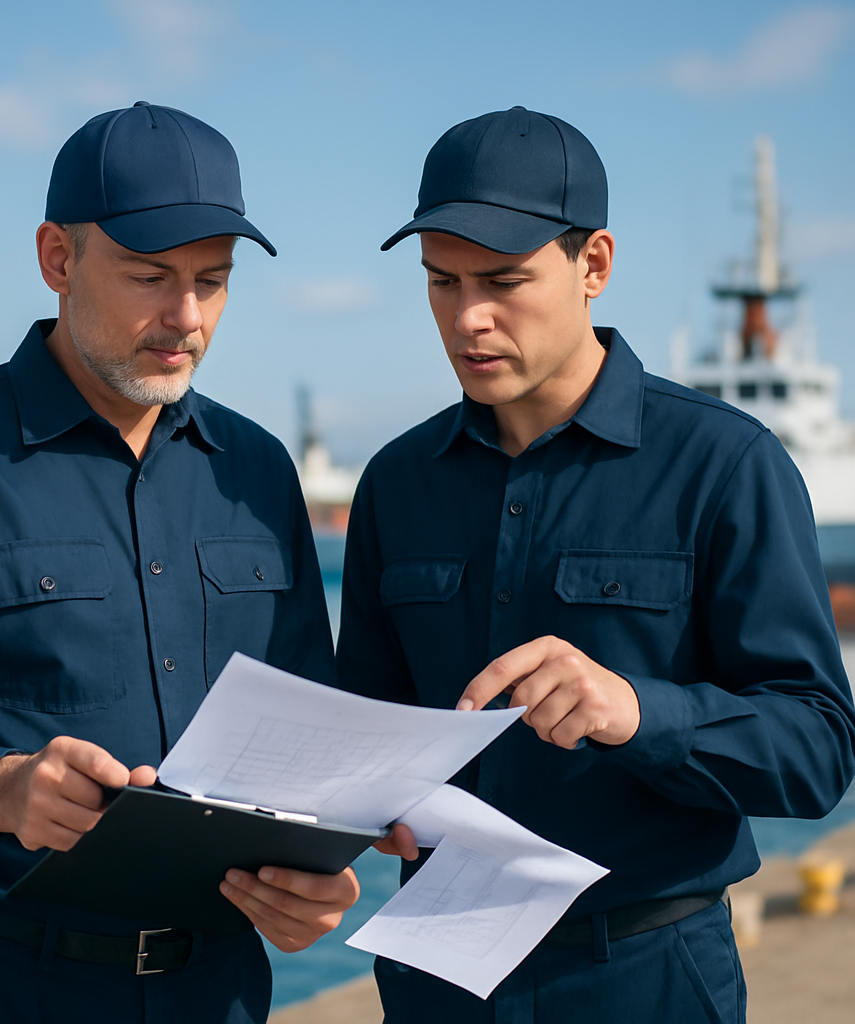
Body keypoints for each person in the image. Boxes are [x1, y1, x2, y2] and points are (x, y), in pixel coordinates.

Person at [0, 101, 359, 1024]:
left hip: (220, 990)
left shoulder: (258, 470)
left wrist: (313, 877)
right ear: (57, 260)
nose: (186, 317)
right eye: (150, 276)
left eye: (213, 281)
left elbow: (306, 729)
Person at [336, 105, 855, 1022]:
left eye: (504, 280)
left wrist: (637, 712)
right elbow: (366, 730)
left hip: (645, 976)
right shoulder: (395, 482)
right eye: (441, 281)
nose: (468, 317)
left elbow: (817, 751)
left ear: (595, 266)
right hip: (437, 980)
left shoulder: (724, 463)